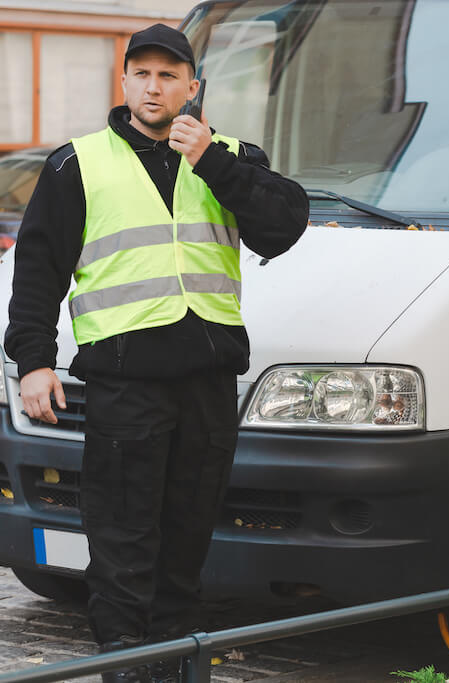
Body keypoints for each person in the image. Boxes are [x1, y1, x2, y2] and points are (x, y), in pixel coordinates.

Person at [4, 24, 309, 683]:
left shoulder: (227, 154)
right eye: (141, 72)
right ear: (123, 83)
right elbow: (37, 271)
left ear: (191, 87)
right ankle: (125, 664)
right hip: (125, 385)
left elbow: (284, 226)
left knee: (186, 540)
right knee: (122, 540)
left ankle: (173, 661)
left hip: (206, 384)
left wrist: (214, 161)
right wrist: (33, 360)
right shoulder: (76, 164)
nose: (153, 85)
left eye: (168, 75)